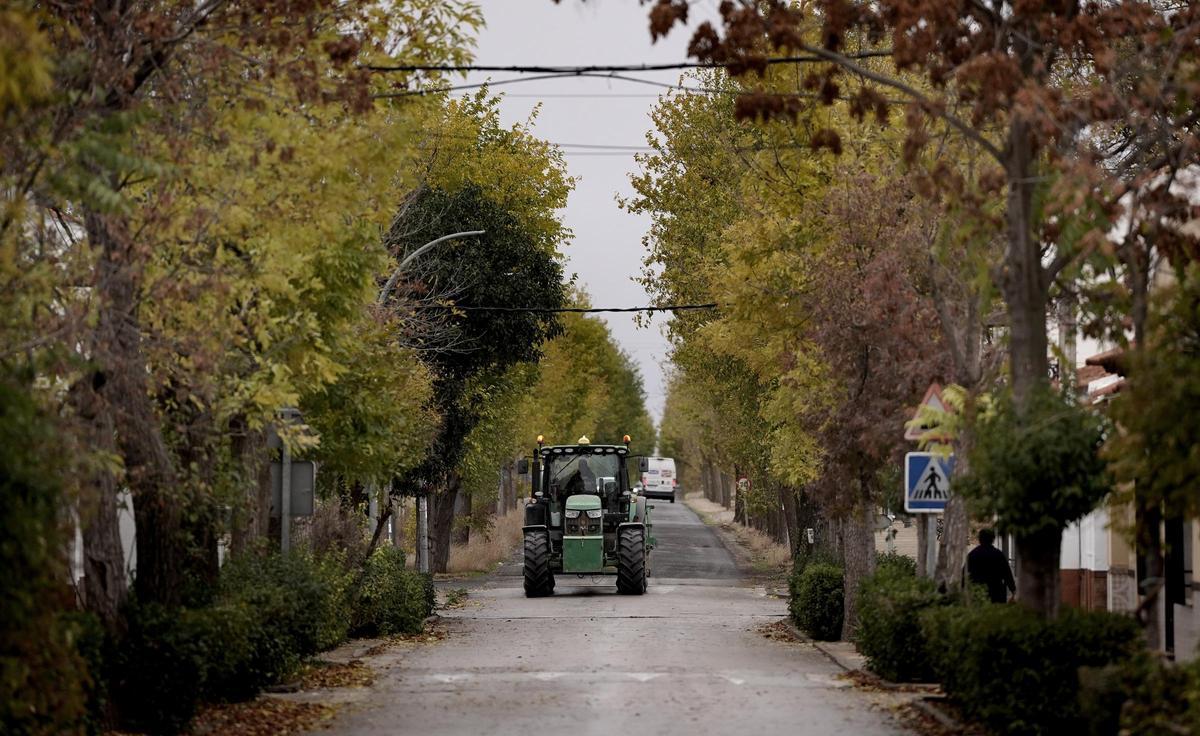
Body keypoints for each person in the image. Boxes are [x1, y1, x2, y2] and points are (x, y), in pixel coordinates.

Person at [967, 528, 1016, 603]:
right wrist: (1013, 590)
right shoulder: (998, 554)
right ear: (993, 539)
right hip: (997, 593)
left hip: (979, 594)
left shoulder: (973, 555)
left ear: (979, 539)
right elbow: (1007, 574)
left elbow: (965, 574)